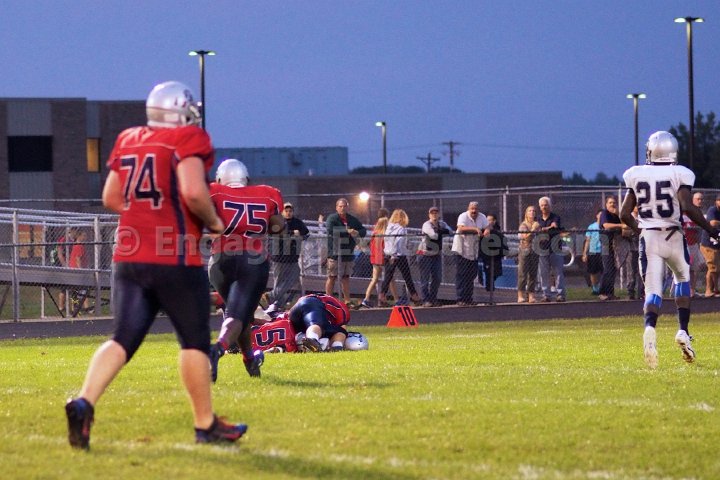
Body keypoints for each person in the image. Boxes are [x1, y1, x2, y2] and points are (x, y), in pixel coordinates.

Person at [65, 81, 246, 449]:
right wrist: (214, 222)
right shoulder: (188, 137)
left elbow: (111, 197)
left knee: (122, 339)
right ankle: (205, 424)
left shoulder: (129, 138)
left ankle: (84, 402)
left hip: (128, 255)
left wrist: (145, 216)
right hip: (174, 255)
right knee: (194, 343)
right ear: (180, 111)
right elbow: (193, 191)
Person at [620, 130, 720, 369]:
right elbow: (687, 206)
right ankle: (683, 330)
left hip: (650, 237)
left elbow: (624, 214)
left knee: (653, 291)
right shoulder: (680, 173)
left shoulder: (636, 174)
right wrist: (711, 229)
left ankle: (650, 328)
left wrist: (639, 229)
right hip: (674, 235)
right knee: (683, 279)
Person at [207, 158, 284, 383]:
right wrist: (273, 224)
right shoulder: (268, 194)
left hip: (219, 260)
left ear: (220, 178)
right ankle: (217, 349)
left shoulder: (214, 191)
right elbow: (278, 227)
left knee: (241, 315)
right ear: (246, 178)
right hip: (253, 260)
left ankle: (249, 359)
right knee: (237, 315)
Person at [266, 202, 310, 314]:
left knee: (294, 275)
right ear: (282, 211)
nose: (288, 213)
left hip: (293, 256)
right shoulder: (277, 220)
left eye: (290, 211)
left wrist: (299, 234)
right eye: (286, 211)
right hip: (279, 257)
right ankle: (276, 304)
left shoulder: (297, 222)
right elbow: (275, 233)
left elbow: (306, 233)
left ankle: (272, 297)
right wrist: (292, 233)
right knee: (279, 280)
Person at [325, 198, 367, 304]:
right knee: (332, 277)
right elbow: (331, 229)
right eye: (340, 206)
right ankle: (328, 300)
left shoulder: (352, 219)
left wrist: (357, 232)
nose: (342, 208)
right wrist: (347, 231)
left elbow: (363, 230)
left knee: (345, 278)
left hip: (348, 253)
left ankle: (347, 301)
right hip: (335, 253)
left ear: (347, 207)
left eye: (344, 206)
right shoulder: (332, 218)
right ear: (336, 207)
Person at [380, 209, 421, 306]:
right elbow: (398, 242)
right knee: (407, 276)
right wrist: (394, 254)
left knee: (388, 276)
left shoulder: (389, 227)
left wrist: (390, 253)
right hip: (398, 255)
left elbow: (387, 240)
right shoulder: (401, 228)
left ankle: (382, 296)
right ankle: (414, 296)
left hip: (388, 254)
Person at [451, 201, 488, 306]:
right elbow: (461, 228)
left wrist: (487, 230)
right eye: (472, 209)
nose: (474, 211)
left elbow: (487, 226)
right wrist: (475, 229)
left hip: (473, 251)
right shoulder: (463, 216)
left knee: (471, 275)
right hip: (462, 251)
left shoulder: (482, 217)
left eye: (475, 209)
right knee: (462, 275)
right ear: (468, 209)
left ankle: (468, 299)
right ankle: (460, 299)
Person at [359, 210, 398, 308]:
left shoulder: (375, 232)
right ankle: (396, 300)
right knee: (390, 279)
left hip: (375, 259)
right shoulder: (384, 234)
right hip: (383, 259)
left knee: (375, 279)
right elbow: (386, 247)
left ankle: (366, 299)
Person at [417, 206, 453, 307]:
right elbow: (433, 235)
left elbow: (450, 232)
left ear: (439, 214)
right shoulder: (426, 224)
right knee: (425, 279)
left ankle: (433, 298)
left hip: (436, 254)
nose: (434, 215)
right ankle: (425, 300)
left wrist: (440, 230)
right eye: (432, 213)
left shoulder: (442, 224)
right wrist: (442, 231)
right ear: (429, 215)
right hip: (425, 254)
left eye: (436, 213)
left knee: (437, 278)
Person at [536, 196, 565, 302]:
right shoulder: (537, 219)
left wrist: (543, 229)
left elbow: (554, 227)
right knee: (544, 273)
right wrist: (547, 228)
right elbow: (537, 230)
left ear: (549, 206)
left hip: (555, 248)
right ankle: (546, 295)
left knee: (558, 272)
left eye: (546, 205)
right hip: (542, 249)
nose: (544, 207)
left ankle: (560, 294)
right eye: (542, 205)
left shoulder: (555, 217)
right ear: (540, 207)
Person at [598, 196, 623, 301]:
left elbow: (624, 225)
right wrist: (620, 225)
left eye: (614, 203)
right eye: (610, 202)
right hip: (605, 244)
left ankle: (610, 292)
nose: (612, 204)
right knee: (607, 269)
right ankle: (602, 292)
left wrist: (619, 215)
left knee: (613, 270)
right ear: (606, 204)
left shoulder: (615, 216)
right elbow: (606, 225)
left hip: (614, 245)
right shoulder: (605, 214)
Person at [682, 192, 705, 296]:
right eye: (698, 199)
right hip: (684, 245)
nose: (700, 201)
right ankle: (683, 290)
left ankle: (692, 290)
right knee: (685, 268)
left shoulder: (698, 214)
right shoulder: (683, 213)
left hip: (694, 244)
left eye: (701, 199)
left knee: (696, 267)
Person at [517, 205, 540, 303]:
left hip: (535, 250)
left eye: (534, 211)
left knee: (533, 274)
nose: (532, 212)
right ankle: (520, 295)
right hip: (525, 251)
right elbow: (525, 237)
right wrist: (533, 230)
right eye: (530, 211)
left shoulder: (537, 224)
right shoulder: (523, 225)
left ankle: (531, 295)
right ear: (526, 213)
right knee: (523, 273)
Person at [479, 214, 507, 292]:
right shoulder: (483, 231)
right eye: (486, 220)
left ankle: (491, 289)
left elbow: (502, 244)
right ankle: (489, 290)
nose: (487, 222)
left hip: (496, 257)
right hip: (486, 256)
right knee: (488, 274)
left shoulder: (498, 232)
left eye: (490, 220)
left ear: (494, 221)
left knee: (496, 273)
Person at [699, 194, 720, 297]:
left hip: (717, 244)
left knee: (716, 269)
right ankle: (708, 291)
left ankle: (715, 290)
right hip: (708, 244)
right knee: (712, 268)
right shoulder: (713, 210)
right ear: (716, 201)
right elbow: (712, 223)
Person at [581, 209, 603, 296]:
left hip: (604, 252)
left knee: (603, 271)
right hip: (593, 251)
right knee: (593, 272)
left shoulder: (605, 225)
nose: (601, 216)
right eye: (600, 214)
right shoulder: (591, 227)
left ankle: (602, 287)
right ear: (596, 216)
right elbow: (588, 240)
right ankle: (595, 288)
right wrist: (584, 253)